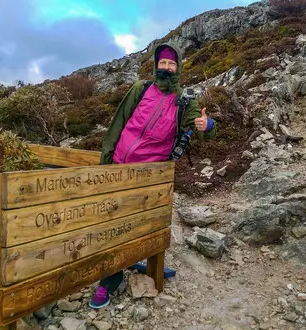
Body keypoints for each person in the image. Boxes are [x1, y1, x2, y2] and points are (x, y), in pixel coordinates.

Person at [90, 41, 217, 309]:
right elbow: (118, 124)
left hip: (149, 175)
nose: (167, 67)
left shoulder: (184, 101)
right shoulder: (141, 88)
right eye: (163, 63)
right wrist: (106, 161)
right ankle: (110, 281)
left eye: (172, 63)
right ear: (157, 65)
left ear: (178, 67)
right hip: (118, 167)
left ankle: (139, 261)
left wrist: (207, 125)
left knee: (142, 224)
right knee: (111, 224)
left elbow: (200, 126)